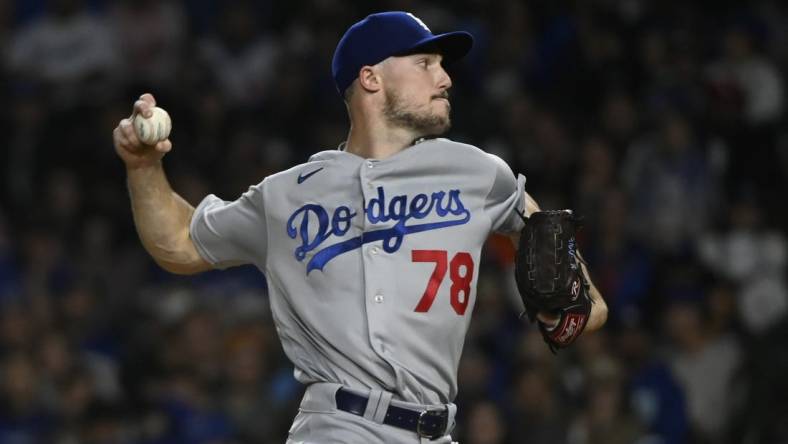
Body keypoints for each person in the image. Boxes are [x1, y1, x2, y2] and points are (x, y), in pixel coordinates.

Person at [112, 11, 607, 443]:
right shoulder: (286, 195)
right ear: (371, 77)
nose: (445, 78)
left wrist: (566, 313)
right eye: (425, 63)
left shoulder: (479, 173)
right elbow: (179, 243)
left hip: (438, 430)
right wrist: (142, 168)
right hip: (337, 427)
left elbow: (582, 299)